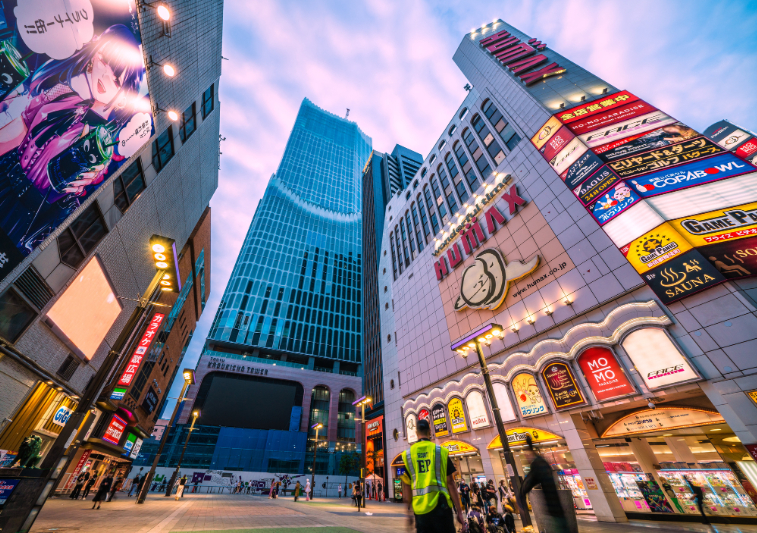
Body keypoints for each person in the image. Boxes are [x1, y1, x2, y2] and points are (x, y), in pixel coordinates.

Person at [399, 419, 465, 533]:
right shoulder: (440, 451)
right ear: (429, 432)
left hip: (421, 511)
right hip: (442, 507)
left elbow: (406, 487)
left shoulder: (408, 455)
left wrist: (408, 513)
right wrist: (459, 511)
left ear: (416, 432)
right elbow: (450, 482)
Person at [520, 435, 568, 533]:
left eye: (527, 455)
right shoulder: (542, 463)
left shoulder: (538, 464)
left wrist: (521, 495)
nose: (526, 458)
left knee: (560, 527)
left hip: (553, 507)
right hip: (555, 507)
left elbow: (529, 482)